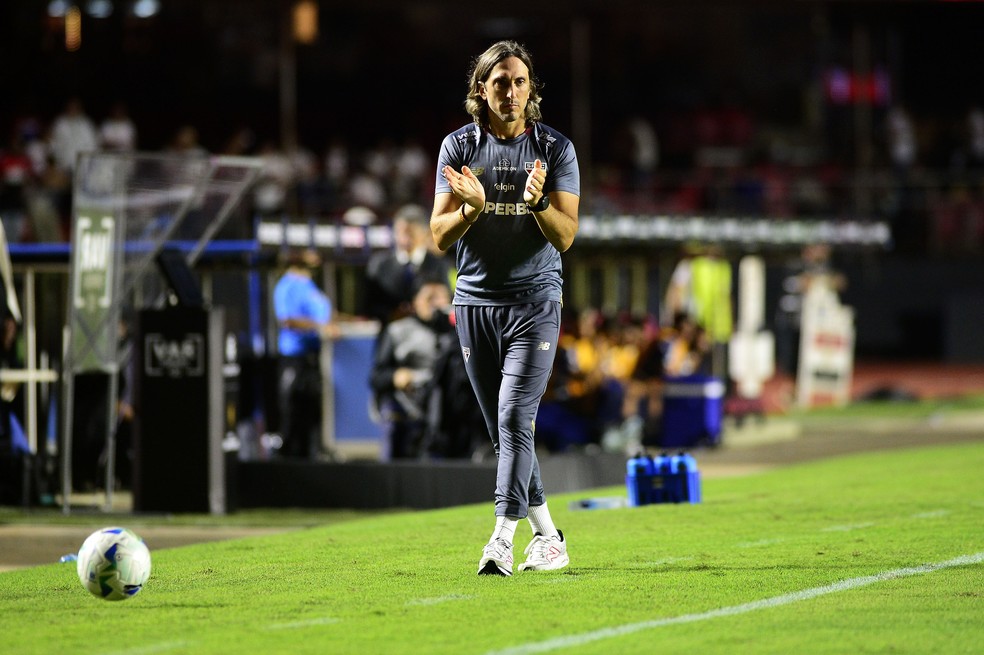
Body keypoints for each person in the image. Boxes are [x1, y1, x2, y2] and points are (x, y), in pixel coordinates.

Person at [431, 40, 580, 576]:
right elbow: (438, 235)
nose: (511, 91)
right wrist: (470, 210)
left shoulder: (556, 150)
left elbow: (565, 237)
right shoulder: (457, 147)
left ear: (530, 89)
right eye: (500, 82)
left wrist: (539, 202)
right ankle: (549, 537)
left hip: (535, 302)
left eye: (519, 82)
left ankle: (500, 539)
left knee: (516, 416)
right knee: (504, 433)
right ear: (481, 90)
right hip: (473, 301)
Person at [369, 275, 452, 460]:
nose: (436, 304)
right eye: (429, 298)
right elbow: (376, 376)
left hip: (444, 414)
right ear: (415, 302)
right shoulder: (398, 331)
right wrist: (394, 376)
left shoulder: (457, 333)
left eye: (441, 297)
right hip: (407, 407)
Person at [273, 248, 336, 459]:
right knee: (293, 410)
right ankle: (289, 458)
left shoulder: (310, 285)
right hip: (294, 359)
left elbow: (323, 316)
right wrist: (319, 327)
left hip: (313, 357)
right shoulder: (287, 285)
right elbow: (287, 320)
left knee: (313, 411)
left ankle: (313, 455)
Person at [364, 203, 450, 330]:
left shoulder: (439, 265)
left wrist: (426, 309)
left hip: (429, 335)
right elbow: (368, 305)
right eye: (400, 232)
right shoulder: (379, 264)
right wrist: (391, 314)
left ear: (425, 233)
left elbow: (447, 302)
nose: (404, 239)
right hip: (389, 334)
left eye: (410, 233)